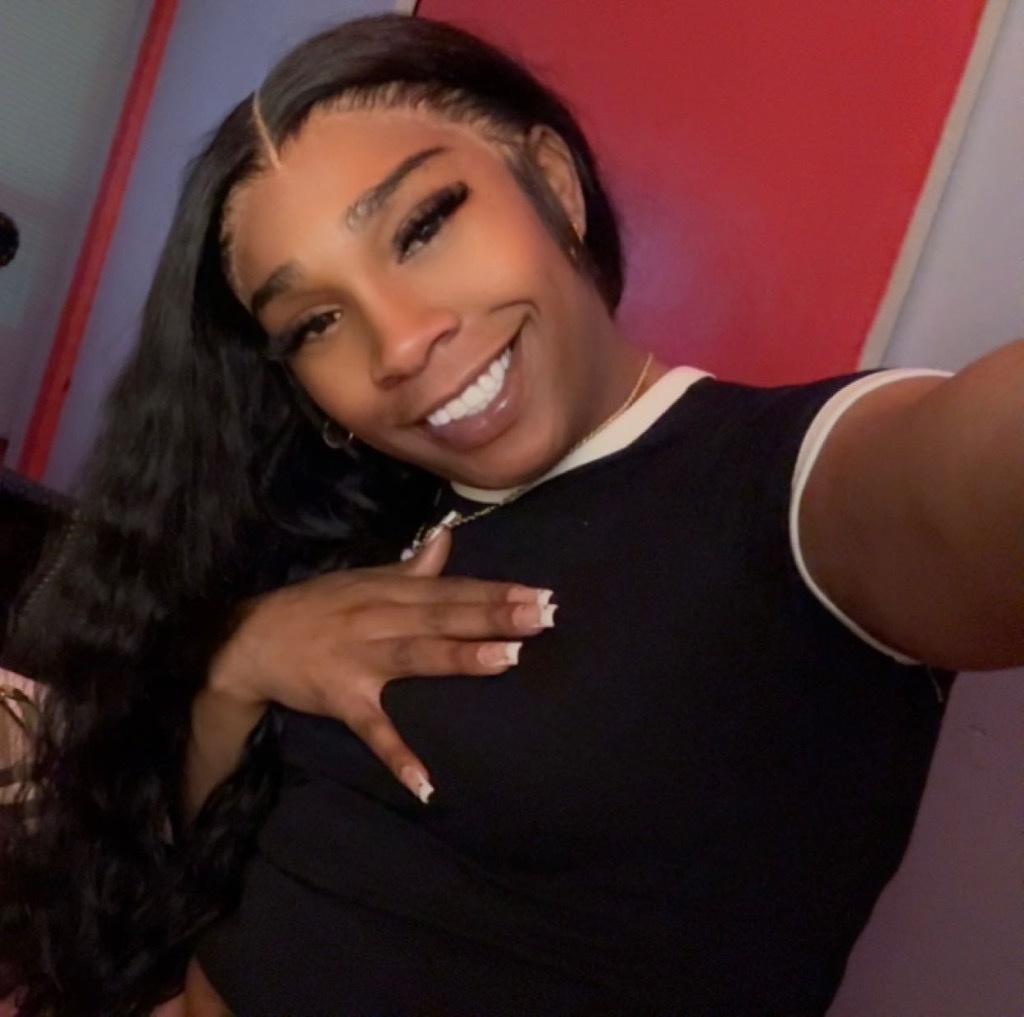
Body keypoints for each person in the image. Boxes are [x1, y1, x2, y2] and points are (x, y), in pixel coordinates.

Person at [0, 13, 1020, 1017]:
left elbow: (966, 474)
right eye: (316, 321)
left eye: (423, 227)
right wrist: (242, 663)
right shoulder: (354, 525)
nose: (399, 343)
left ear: (554, 184)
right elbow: (203, 877)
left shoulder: (792, 487)